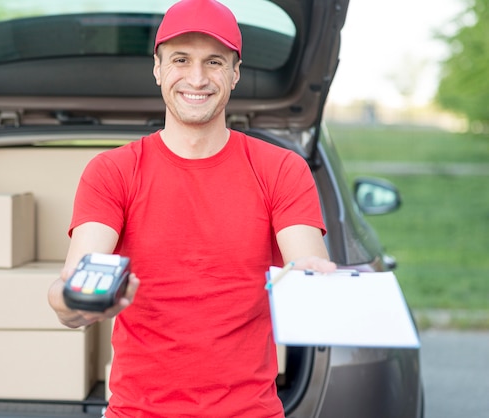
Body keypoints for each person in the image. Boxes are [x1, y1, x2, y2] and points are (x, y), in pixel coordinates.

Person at [48, 0, 336, 416]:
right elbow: (72, 291)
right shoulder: (112, 171)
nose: (197, 78)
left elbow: (307, 263)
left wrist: (313, 282)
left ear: (235, 73)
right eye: (181, 59)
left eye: (214, 61)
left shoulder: (281, 169)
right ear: (158, 68)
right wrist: (78, 304)